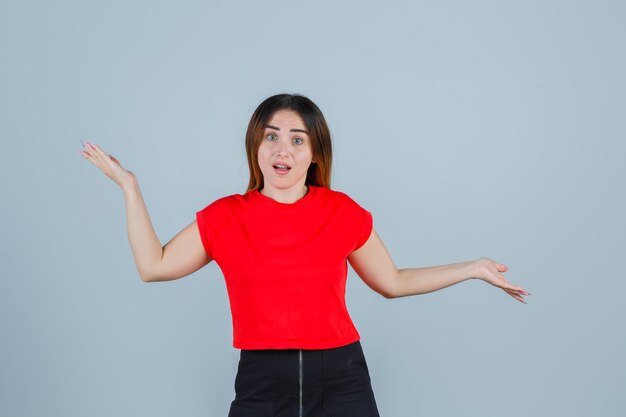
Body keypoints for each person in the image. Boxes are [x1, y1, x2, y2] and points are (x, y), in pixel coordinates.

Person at [79, 93, 530, 417]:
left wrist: (473, 268)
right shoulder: (224, 216)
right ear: (256, 145)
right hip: (260, 379)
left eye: (297, 140)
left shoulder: (342, 212)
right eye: (271, 137)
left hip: (341, 376)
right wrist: (129, 186)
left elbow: (393, 282)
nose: (282, 150)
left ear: (313, 154)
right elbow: (152, 266)